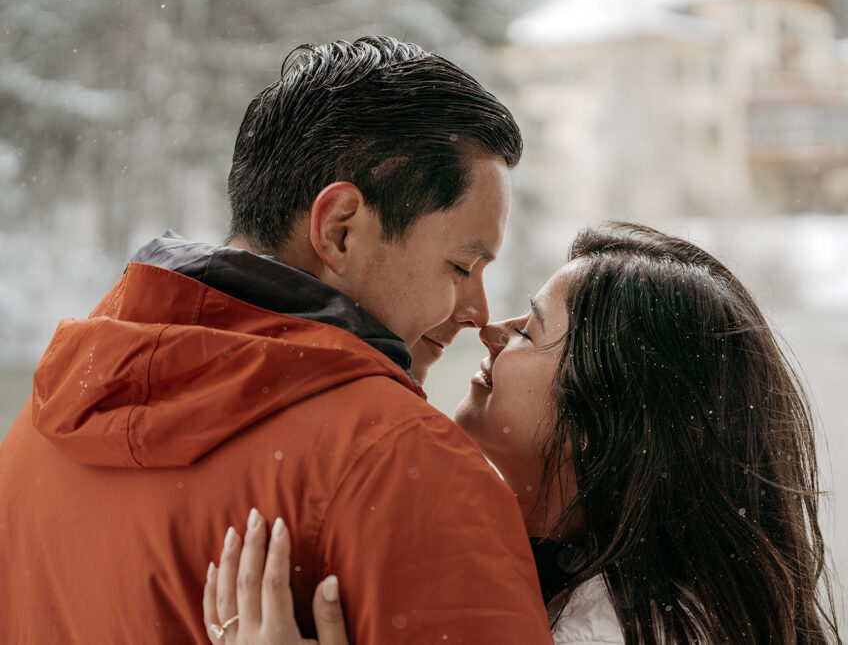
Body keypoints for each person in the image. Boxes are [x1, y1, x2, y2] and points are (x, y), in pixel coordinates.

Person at [0, 37, 554, 643]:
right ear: (340, 230)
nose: (478, 312)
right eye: (460, 267)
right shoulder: (401, 465)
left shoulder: (42, 427)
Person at [206, 222, 843, 644]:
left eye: (531, 330)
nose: (490, 330)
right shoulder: (590, 590)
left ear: (604, 414)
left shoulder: (610, 631)